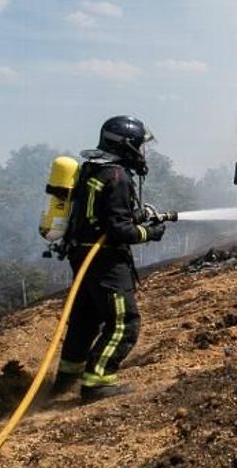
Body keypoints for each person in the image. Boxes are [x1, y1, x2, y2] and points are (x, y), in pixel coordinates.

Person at [51, 116, 167, 403]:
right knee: (124, 322)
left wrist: (135, 215)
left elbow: (97, 215)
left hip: (83, 255)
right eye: (139, 145)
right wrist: (150, 232)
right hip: (106, 262)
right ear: (126, 144)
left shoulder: (92, 169)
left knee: (85, 320)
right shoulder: (117, 176)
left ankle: (66, 379)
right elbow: (118, 230)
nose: (141, 151)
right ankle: (97, 382)